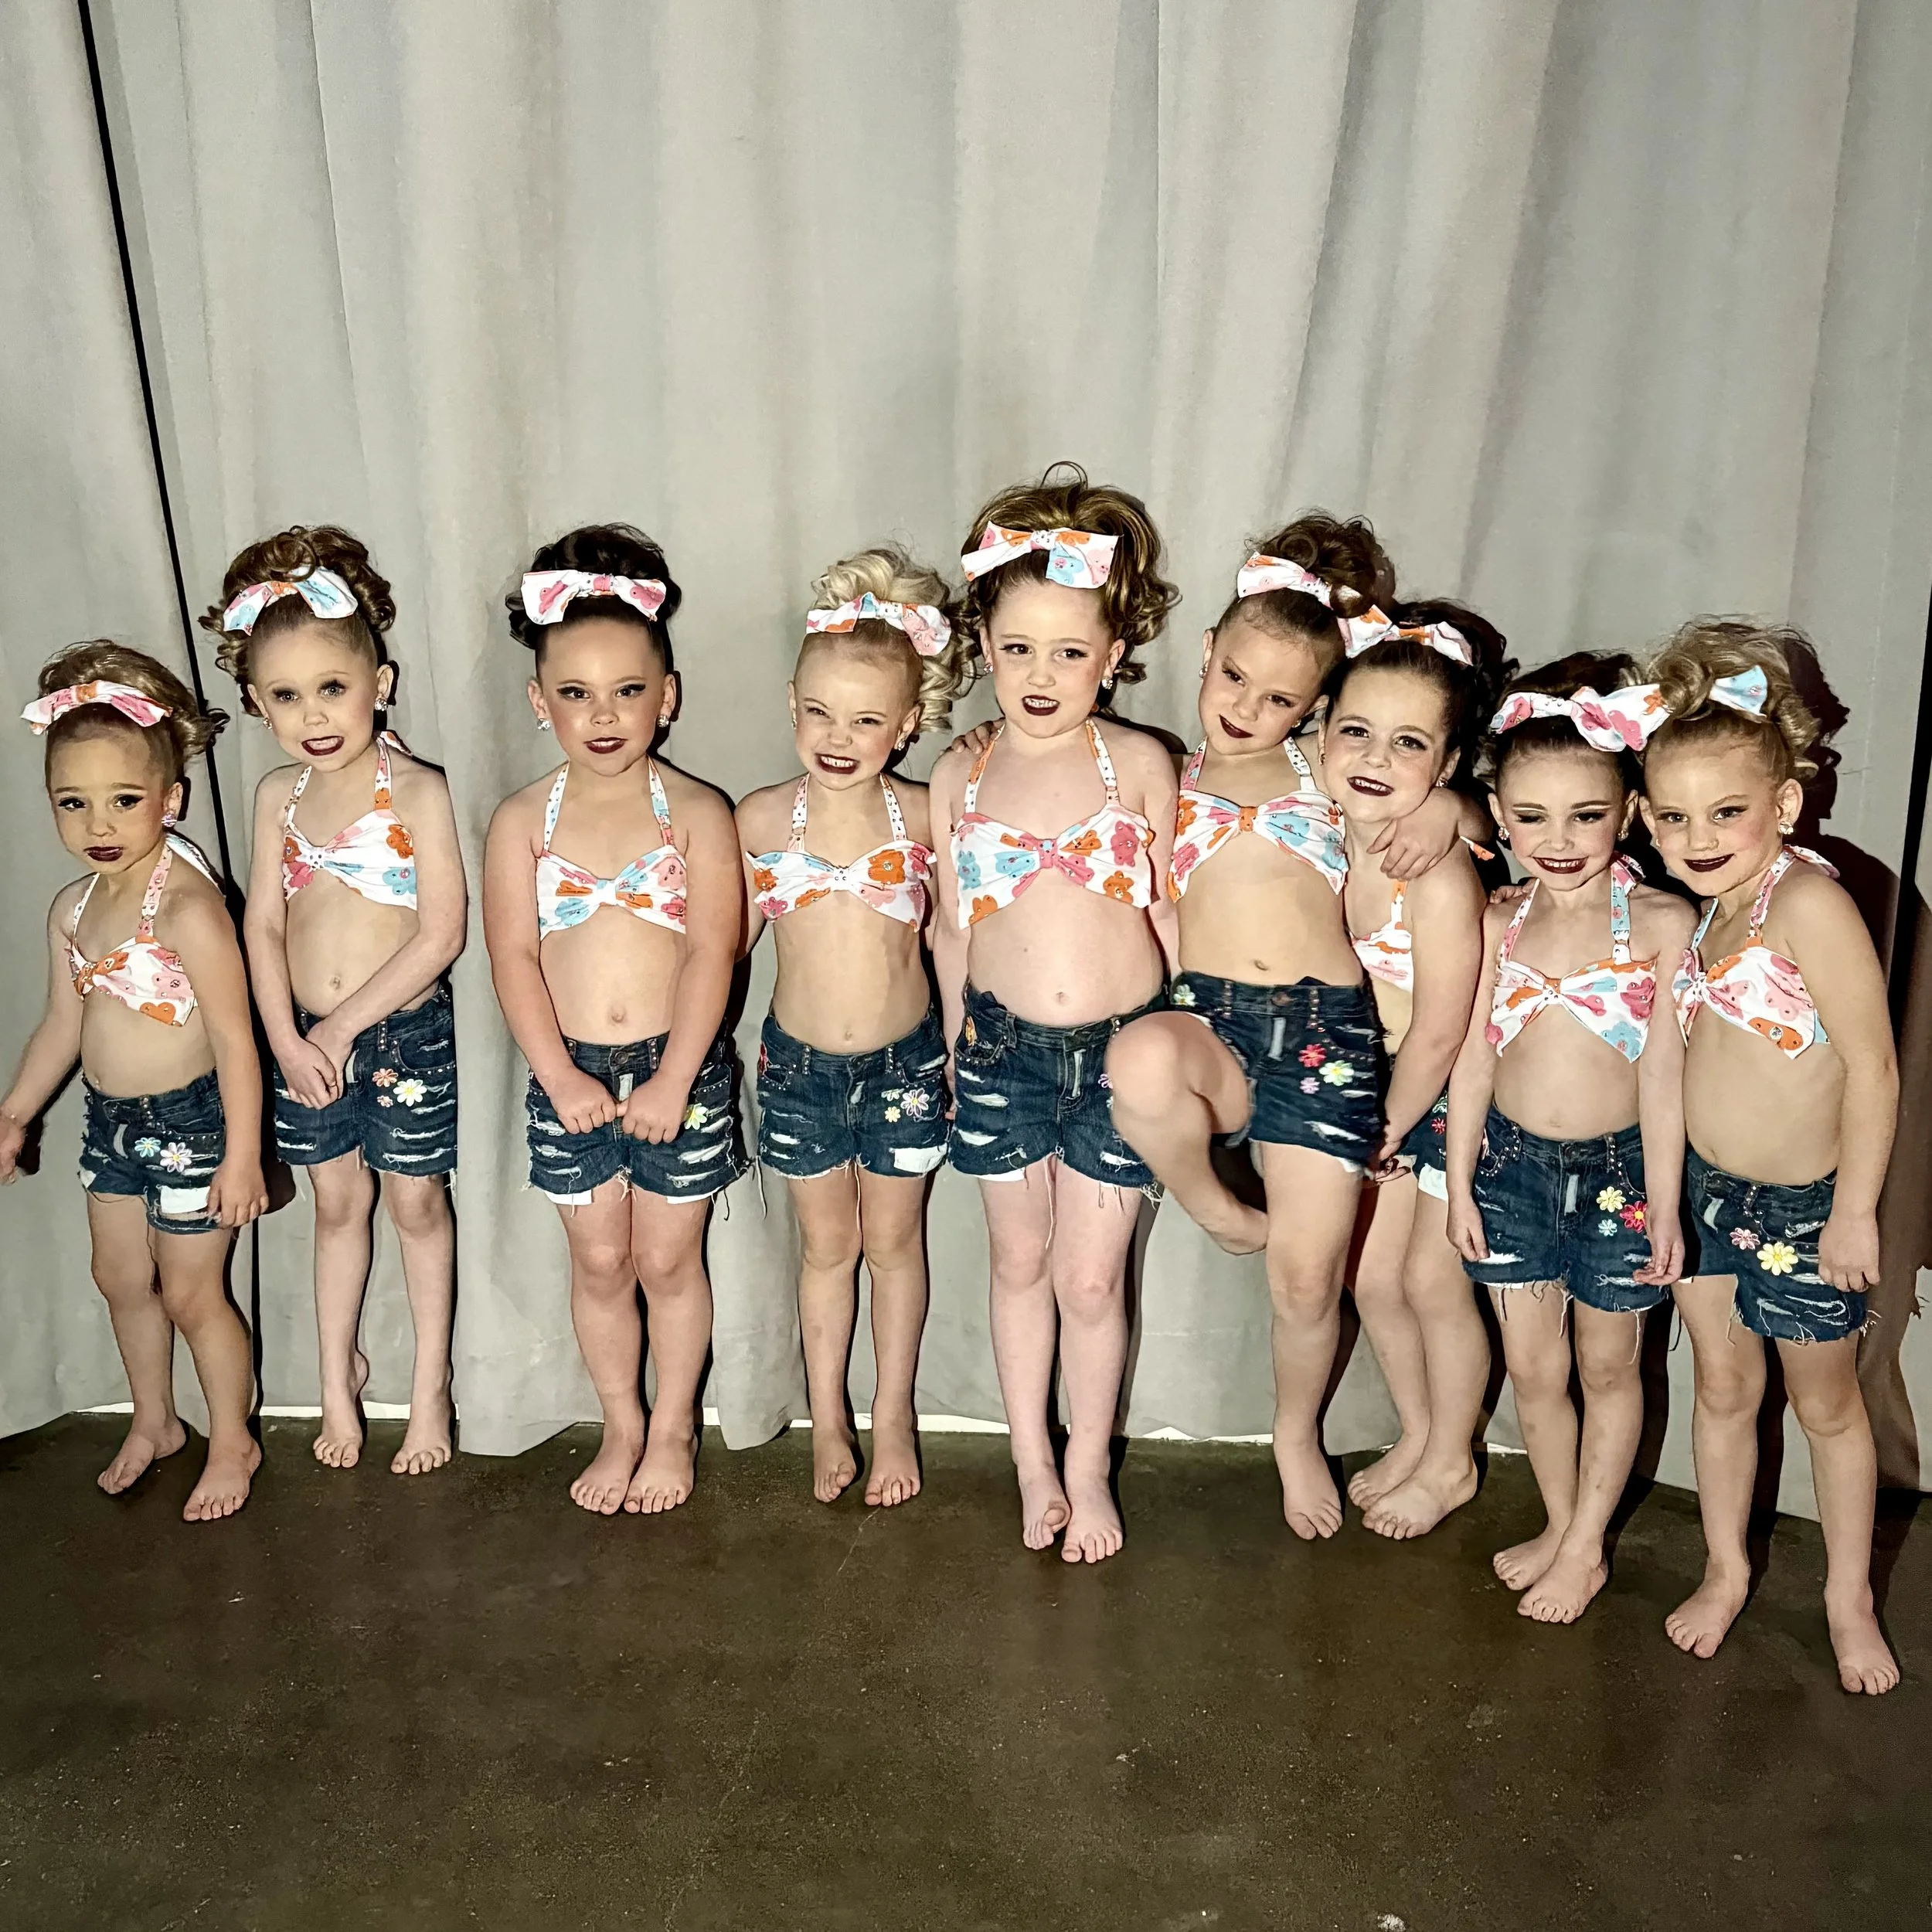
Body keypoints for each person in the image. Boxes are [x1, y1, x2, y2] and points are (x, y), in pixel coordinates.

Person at [1106, 520, 1484, 1539]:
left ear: (1318, 708)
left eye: (1281, 700)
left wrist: (1453, 807)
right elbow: (1061, 775)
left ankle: (1294, 1431)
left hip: (1325, 1033)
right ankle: (1217, 1208)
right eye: (1234, 678)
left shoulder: (1325, 769)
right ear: (1207, 656)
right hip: (1207, 1024)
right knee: (1137, 1061)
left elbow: (1430, 790)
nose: (1246, 710)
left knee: (1312, 1278)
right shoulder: (1159, 773)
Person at [927, 464, 1181, 1563]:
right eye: (1020, 648)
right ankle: (1033, 1460)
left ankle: (1090, 1465)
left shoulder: (1138, 764)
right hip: (1000, 1054)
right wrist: (950, 1046)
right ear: (985, 648)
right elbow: (949, 926)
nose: (1041, 674)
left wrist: (1187, 1051)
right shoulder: (960, 774)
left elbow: (1174, 918)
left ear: (1114, 659)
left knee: (1092, 1275)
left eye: (1070, 652)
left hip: (1122, 1058)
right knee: (1020, 1262)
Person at [1641, 621, 1898, 1693]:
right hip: (1707, 1198)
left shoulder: (1809, 901)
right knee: (1722, 1390)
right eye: (1672, 816)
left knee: (1829, 1405)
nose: (1698, 836)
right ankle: (1727, 1566)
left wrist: (1852, 1212)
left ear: (1784, 805)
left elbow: (1875, 1071)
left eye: (1726, 812)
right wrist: (1666, 1202)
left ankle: (1848, 1598)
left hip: (1804, 1208)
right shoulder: (1704, 918)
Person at [483, 526, 745, 1516]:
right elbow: (512, 956)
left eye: (628, 691)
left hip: (678, 1066)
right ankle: (622, 1421)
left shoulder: (695, 811)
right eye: (576, 693)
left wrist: (677, 1076)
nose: (604, 715)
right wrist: (559, 1075)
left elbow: (711, 949)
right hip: (570, 1072)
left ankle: (673, 1426)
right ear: (538, 700)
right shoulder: (521, 821)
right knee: (599, 1258)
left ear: (665, 696)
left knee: (668, 1256)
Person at [206, 528, 465, 1475]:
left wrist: (343, 1024)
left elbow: (442, 933)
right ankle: (336, 1379)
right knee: (335, 1204)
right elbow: (263, 928)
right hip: (303, 1043)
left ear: (379, 681)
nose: (313, 715)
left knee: (414, 1204)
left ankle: (431, 1386)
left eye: (332, 687)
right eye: (284, 695)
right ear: (254, 703)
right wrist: (284, 1035)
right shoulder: (278, 795)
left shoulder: (418, 791)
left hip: (396, 1034)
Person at [1444, 655, 1695, 1622]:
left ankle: (1585, 1546)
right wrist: (1461, 1184)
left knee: (1607, 1364)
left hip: (1620, 1174)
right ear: (1499, 816)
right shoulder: (1496, 920)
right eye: (1533, 817)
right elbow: (1471, 1060)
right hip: (1509, 1168)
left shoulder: (1661, 922)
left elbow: (1666, 1082)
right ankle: (1561, 1523)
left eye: (1586, 815)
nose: (1559, 839)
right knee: (1536, 1368)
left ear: (1628, 811)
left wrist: (1664, 1204)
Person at [0, 645, 266, 1520]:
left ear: (171, 798)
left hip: (191, 1121)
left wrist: (240, 1155)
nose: (97, 822)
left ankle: (232, 1434)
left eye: (123, 799)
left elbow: (235, 1038)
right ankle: (156, 1419)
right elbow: (61, 1025)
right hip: (109, 1122)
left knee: (193, 1290)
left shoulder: (188, 904)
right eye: (72, 802)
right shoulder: (73, 907)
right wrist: (13, 1114)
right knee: (118, 1277)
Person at [737, 548, 969, 1506]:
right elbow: (724, 955)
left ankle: (895, 1409)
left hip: (907, 1062)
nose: (839, 736)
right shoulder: (755, 819)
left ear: (908, 724)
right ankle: (828, 1412)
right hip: (797, 1068)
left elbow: (955, 936)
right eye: (821, 713)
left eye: (868, 719)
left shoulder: (924, 816)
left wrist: (959, 1050)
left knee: (895, 1245)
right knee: (825, 1249)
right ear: (793, 702)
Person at [1333, 600, 1499, 1539]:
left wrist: (1385, 1127)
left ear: (1443, 766)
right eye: (1355, 730)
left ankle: (1451, 1462)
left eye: (1408, 746)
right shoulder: (1325, 828)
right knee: (1371, 1281)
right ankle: (1421, 1429)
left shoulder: (1435, 875)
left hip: (1443, 1093)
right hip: (1379, 1088)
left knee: (1432, 1282)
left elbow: (1439, 1031)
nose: (1375, 757)